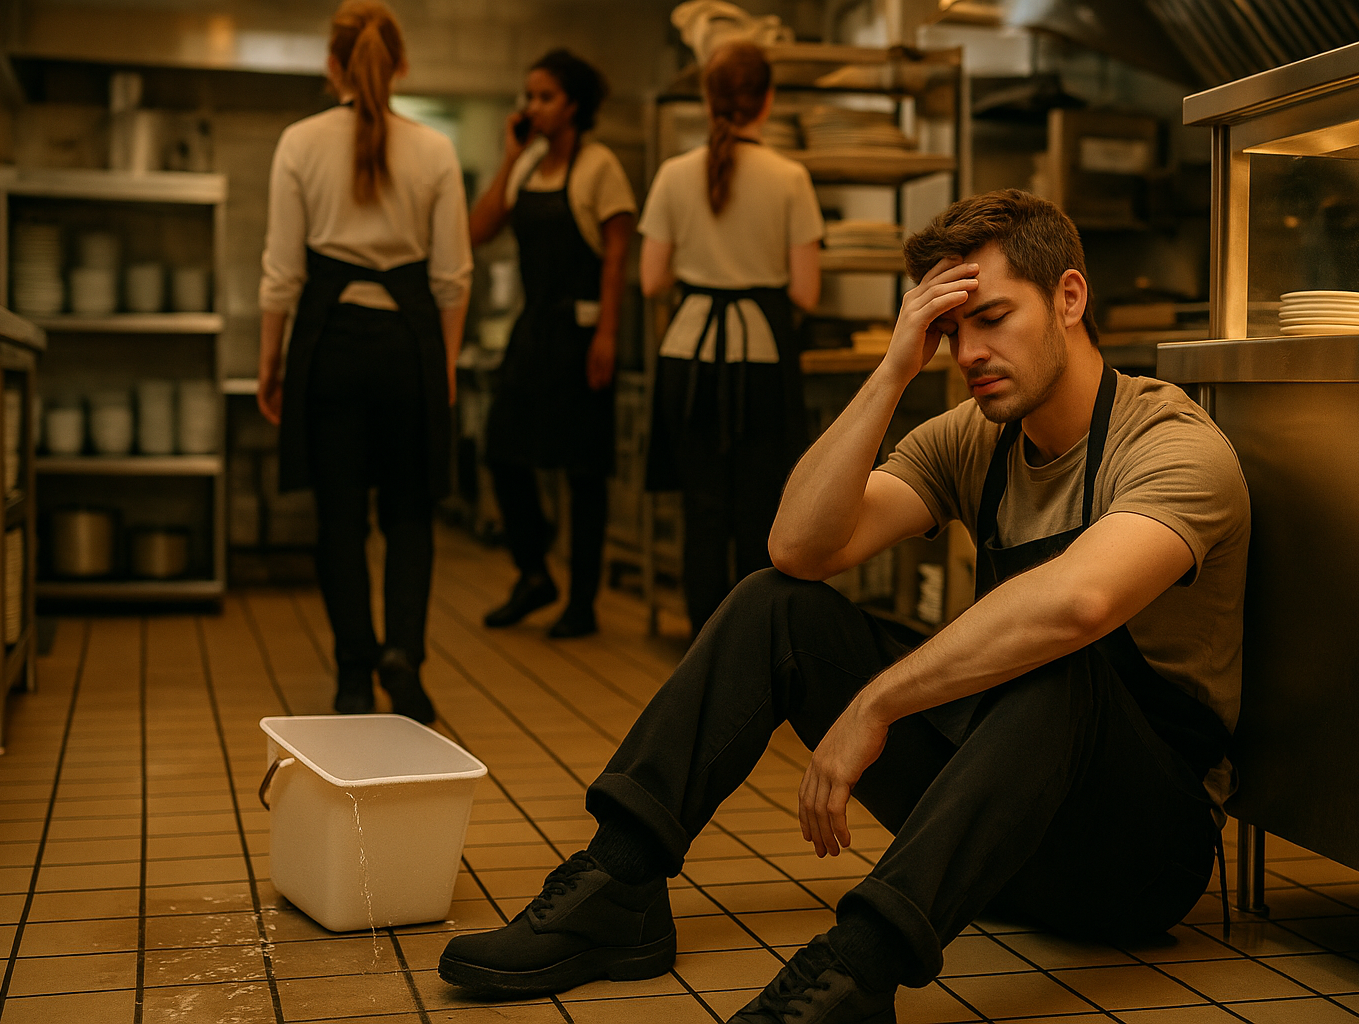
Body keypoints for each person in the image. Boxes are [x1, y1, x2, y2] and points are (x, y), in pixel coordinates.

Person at [437, 189, 1250, 1024]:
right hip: (1002, 830)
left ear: (1069, 298)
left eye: (994, 318)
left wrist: (878, 700)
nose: (969, 352)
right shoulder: (975, 436)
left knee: (1060, 663)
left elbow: (1079, 602)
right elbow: (798, 547)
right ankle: (618, 884)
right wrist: (895, 366)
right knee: (773, 607)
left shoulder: (1171, 445)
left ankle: (858, 969)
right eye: (948, 331)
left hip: (1136, 851)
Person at [257, 0, 470, 723]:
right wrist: (441, 367)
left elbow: (282, 271)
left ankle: (353, 672)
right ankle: (402, 656)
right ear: (401, 64)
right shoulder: (436, 150)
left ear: (332, 66)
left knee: (339, 521)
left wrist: (271, 362)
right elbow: (453, 280)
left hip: (330, 347)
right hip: (408, 348)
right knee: (410, 515)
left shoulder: (299, 143)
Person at [638, 40, 822, 637]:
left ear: (707, 99)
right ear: (767, 101)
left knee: (702, 509)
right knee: (760, 510)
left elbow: (650, 281)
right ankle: (750, 645)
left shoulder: (672, 175)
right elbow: (806, 293)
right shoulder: (791, 177)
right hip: (761, 356)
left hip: (688, 354)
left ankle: (701, 645)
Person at [470, 49, 637, 639]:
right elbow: (477, 229)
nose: (531, 107)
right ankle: (533, 572)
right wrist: (511, 155)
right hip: (533, 327)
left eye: (543, 96)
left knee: (582, 470)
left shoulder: (600, 168)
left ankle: (582, 603)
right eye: (528, 97)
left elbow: (617, 258)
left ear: (573, 105)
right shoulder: (525, 165)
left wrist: (608, 335)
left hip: (584, 331)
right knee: (501, 450)